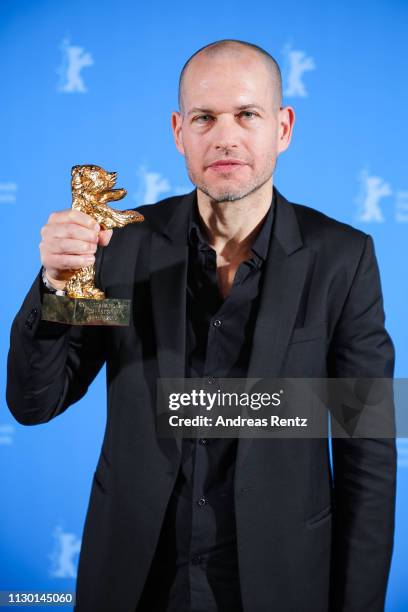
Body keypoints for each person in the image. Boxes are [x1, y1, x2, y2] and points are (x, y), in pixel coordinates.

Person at [6, 39, 396, 612]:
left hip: (281, 582)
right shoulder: (120, 247)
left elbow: (368, 451)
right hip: (133, 579)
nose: (225, 136)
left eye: (247, 114)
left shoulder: (343, 259)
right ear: (178, 131)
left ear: (283, 128)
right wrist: (54, 288)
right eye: (204, 117)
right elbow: (35, 402)